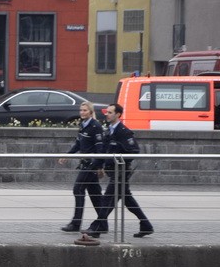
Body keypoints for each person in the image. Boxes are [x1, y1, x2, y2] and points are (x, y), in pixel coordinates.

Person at [86, 103, 154, 239]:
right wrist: (97, 166)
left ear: (118, 115)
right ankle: (146, 225)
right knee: (127, 199)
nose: (107, 114)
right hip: (112, 171)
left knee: (107, 199)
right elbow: (104, 152)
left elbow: (134, 151)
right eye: (107, 112)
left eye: (110, 112)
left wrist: (119, 158)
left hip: (121, 172)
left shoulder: (124, 132)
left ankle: (97, 226)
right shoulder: (109, 131)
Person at [58, 101, 105, 232]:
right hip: (85, 163)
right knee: (95, 196)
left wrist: (98, 166)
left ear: (90, 112)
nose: (82, 112)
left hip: (91, 165)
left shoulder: (95, 126)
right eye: (81, 110)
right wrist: (67, 155)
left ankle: (76, 223)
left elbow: (100, 149)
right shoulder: (83, 125)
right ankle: (103, 224)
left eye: (85, 110)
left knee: (78, 189)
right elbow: (78, 144)